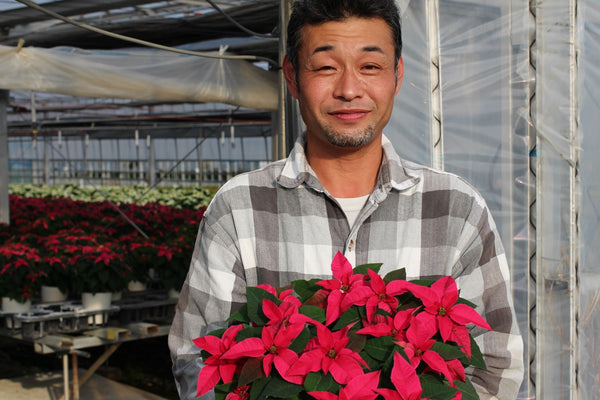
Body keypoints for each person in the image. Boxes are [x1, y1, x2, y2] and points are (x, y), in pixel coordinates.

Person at [168, 0, 524, 399]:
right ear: (292, 77)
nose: (349, 89)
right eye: (325, 67)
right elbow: (196, 359)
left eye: (370, 66)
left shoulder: (456, 208)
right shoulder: (239, 208)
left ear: (397, 74)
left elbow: (495, 364)